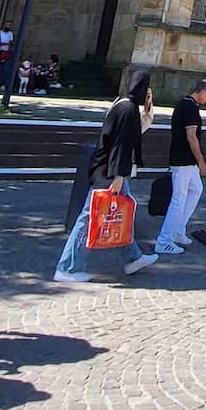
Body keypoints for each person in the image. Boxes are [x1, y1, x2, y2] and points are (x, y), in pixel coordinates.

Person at [53, 70, 158, 282]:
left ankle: (133, 258)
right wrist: (119, 175)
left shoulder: (121, 104)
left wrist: (147, 106)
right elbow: (122, 145)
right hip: (109, 171)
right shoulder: (128, 110)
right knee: (90, 217)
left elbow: (134, 133)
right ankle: (68, 268)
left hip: (106, 167)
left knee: (122, 213)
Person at [155, 79, 206, 256]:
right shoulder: (190, 107)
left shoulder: (187, 104)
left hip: (185, 160)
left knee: (196, 189)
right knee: (178, 199)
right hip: (184, 160)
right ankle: (164, 240)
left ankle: (178, 230)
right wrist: (201, 161)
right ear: (203, 91)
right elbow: (191, 136)